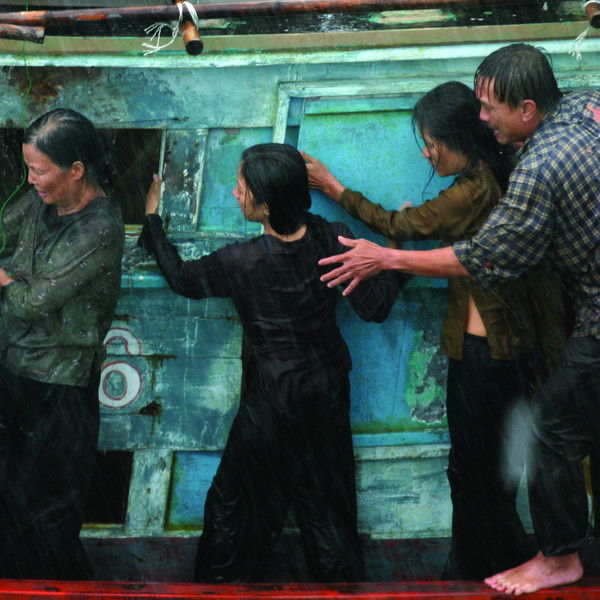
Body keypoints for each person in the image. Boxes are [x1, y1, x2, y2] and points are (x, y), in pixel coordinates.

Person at [317, 43, 600, 595]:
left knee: (514, 452)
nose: (482, 115)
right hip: (539, 331)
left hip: (523, 340)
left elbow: (482, 255)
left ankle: (548, 559)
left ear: (527, 109)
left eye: (489, 107)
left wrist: (384, 253)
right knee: (492, 467)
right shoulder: (582, 107)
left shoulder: (527, 172)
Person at [139, 142, 402, 583]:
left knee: (234, 510)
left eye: (242, 189)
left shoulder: (241, 262)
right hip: (325, 398)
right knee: (327, 513)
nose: (234, 194)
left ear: (265, 206)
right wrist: (394, 253)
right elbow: (375, 308)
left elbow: (182, 278)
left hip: (270, 404)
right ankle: (339, 590)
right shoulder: (331, 238)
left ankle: (223, 591)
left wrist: (152, 222)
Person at [0, 108, 124, 579]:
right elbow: (9, 232)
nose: (30, 180)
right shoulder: (42, 201)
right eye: (28, 168)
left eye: (39, 170)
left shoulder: (99, 227)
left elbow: (33, 301)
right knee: (11, 497)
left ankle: (51, 587)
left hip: (61, 381)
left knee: (50, 507)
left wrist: (6, 279)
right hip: (15, 364)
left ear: (76, 170)